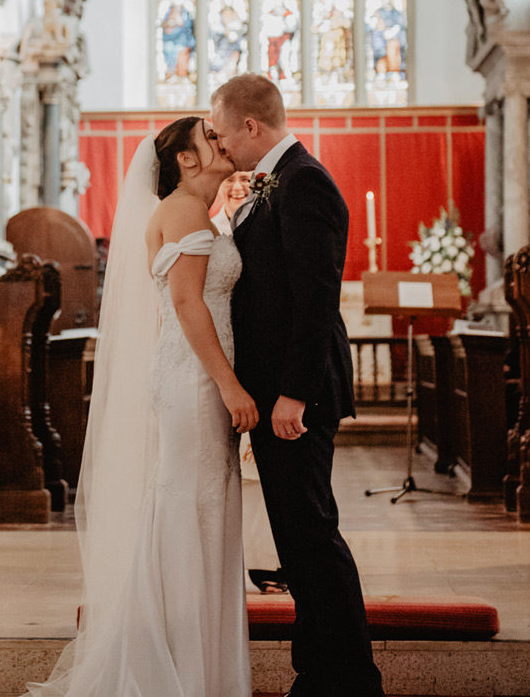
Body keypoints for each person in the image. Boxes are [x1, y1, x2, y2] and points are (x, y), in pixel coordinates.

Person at [29, 117, 255, 696]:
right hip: (196, 381)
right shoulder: (180, 211)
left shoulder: (195, 212)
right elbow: (186, 305)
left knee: (201, 507)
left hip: (196, 377)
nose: (221, 139)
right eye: (209, 135)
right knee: (189, 509)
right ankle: (180, 669)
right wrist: (230, 386)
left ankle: (195, 664)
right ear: (185, 159)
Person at [209, 73, 384, 697]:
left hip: (295, 394)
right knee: (298, 536)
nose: (221, 146)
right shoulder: (273, 183)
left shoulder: (304, 182)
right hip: (281, 389)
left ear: (251, 126)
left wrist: (294, 394)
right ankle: (321, 670)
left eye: (224, 133)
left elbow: (315, 301)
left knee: (310, 533)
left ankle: (350, 678)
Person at [212, 171, 287, 593]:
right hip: (224, 363)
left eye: (246, 180)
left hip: (257, 366)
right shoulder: (212, 233)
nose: (239, 186)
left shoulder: (266, 222)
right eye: (231, 181)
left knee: (260, 476)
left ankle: (267, 563)